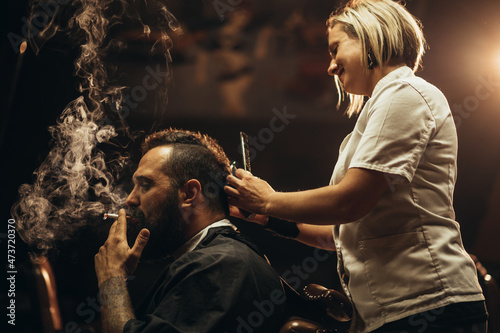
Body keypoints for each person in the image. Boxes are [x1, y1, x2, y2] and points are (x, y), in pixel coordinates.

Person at [225, 0, 488, 332]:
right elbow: (343, 234)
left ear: (369, 35)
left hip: (428, 306)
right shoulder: (384, 107)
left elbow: (349, 202)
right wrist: (273, 219)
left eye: (335, 49)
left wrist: (267, 199)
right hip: (399, 312)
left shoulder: (404, 93)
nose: (330, 67)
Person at [94, 128, 286, 333]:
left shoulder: (220, 265)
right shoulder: (214, 259)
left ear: (189, 194)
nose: (130, 199)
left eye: (145, 185)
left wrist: (111, 278)